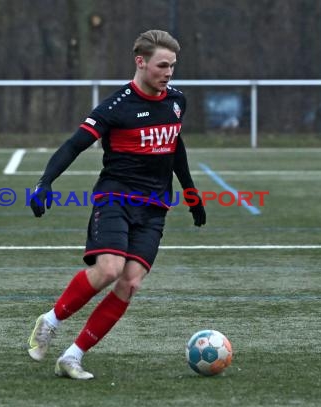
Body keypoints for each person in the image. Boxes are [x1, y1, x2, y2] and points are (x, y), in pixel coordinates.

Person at [27, 29, 206, 380]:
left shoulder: (176, 101)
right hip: (116, 198)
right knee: (109, 270)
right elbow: (73, 145)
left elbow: (175, 146)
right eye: (162, 65)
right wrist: (45, 181)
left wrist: (191, 192)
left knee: (130, 283)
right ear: (141, 62)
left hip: (154, 206)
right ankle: (49, 321)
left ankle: (73, 357)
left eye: (173, 66)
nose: (168, 73)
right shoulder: (115, 106)